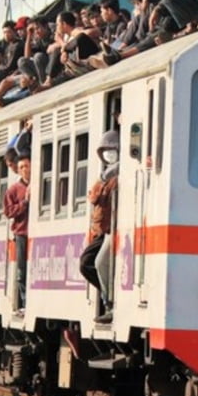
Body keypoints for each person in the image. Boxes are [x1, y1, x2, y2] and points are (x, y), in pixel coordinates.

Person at [79, 131, 120, 324]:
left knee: (101, 262)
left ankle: (111, 303)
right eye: (105, 151)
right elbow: (93, 198)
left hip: (116, 228)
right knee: (86, 263)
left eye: (112, 150)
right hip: (103, 230)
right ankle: (109, 297)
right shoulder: (105, 175)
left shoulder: (121, 173)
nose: (109, 155)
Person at [3, 154, 31, 314]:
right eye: (21, 167)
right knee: (22, 269)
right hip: (21, 232)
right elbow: (8, 211)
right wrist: (24, 203)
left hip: (36, 231)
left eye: (27, 166)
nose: (25, 170)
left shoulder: (38, 184)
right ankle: (24, 298)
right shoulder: (13, 190)